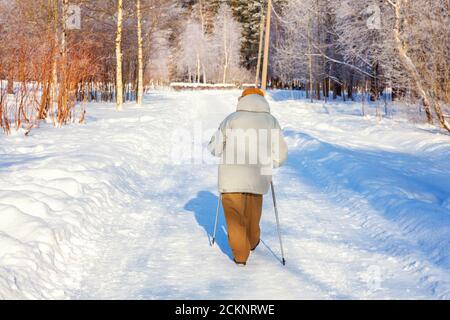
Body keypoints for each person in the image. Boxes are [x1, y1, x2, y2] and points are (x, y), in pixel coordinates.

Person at [208, 88, 288, 266]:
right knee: (253, 215)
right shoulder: (271, 121)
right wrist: (270, 163)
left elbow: (215, 149)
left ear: (242, 99)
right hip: (259, 176)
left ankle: (241, 255)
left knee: (235, 218)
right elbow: (281, 156)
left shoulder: (231, 119)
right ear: (263, 100)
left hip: (231, 178)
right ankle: (252, 242)